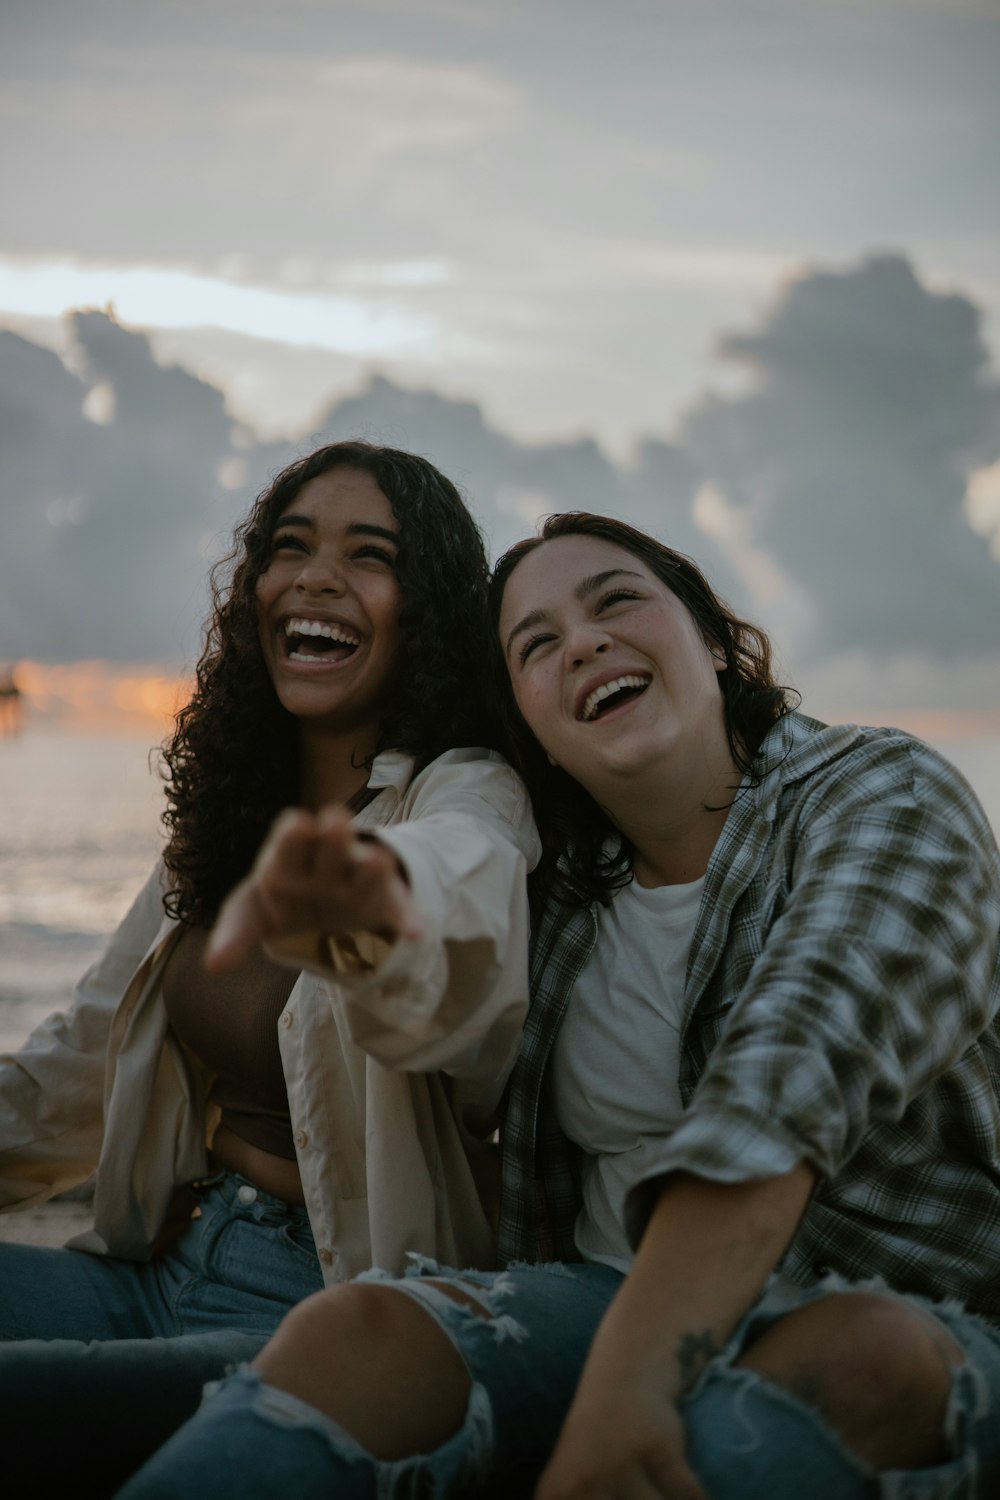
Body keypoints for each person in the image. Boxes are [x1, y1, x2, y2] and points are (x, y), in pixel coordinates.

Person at [113, 511, 1000, 1500]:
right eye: (536, 645)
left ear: (710, 638)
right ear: (528, 721)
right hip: (599, 1293)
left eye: (616, 600)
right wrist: (366, 918)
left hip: (903, 1307)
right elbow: (450, 965)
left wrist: (622, 1397)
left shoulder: (881, 793)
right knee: (357, 1331)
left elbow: (784, 1086)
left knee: (861, 1357)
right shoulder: (561, 889)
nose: (582, 642)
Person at [0, 441, 537, 1494]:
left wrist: (369, 902)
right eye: (289, 547)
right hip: (162, 1264)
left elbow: (462, 926)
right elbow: (83, 1068)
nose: (316, 575)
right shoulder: (222, 819)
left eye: (368, 555)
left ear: (425, 608)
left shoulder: (465, 796)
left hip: (331, 1313)